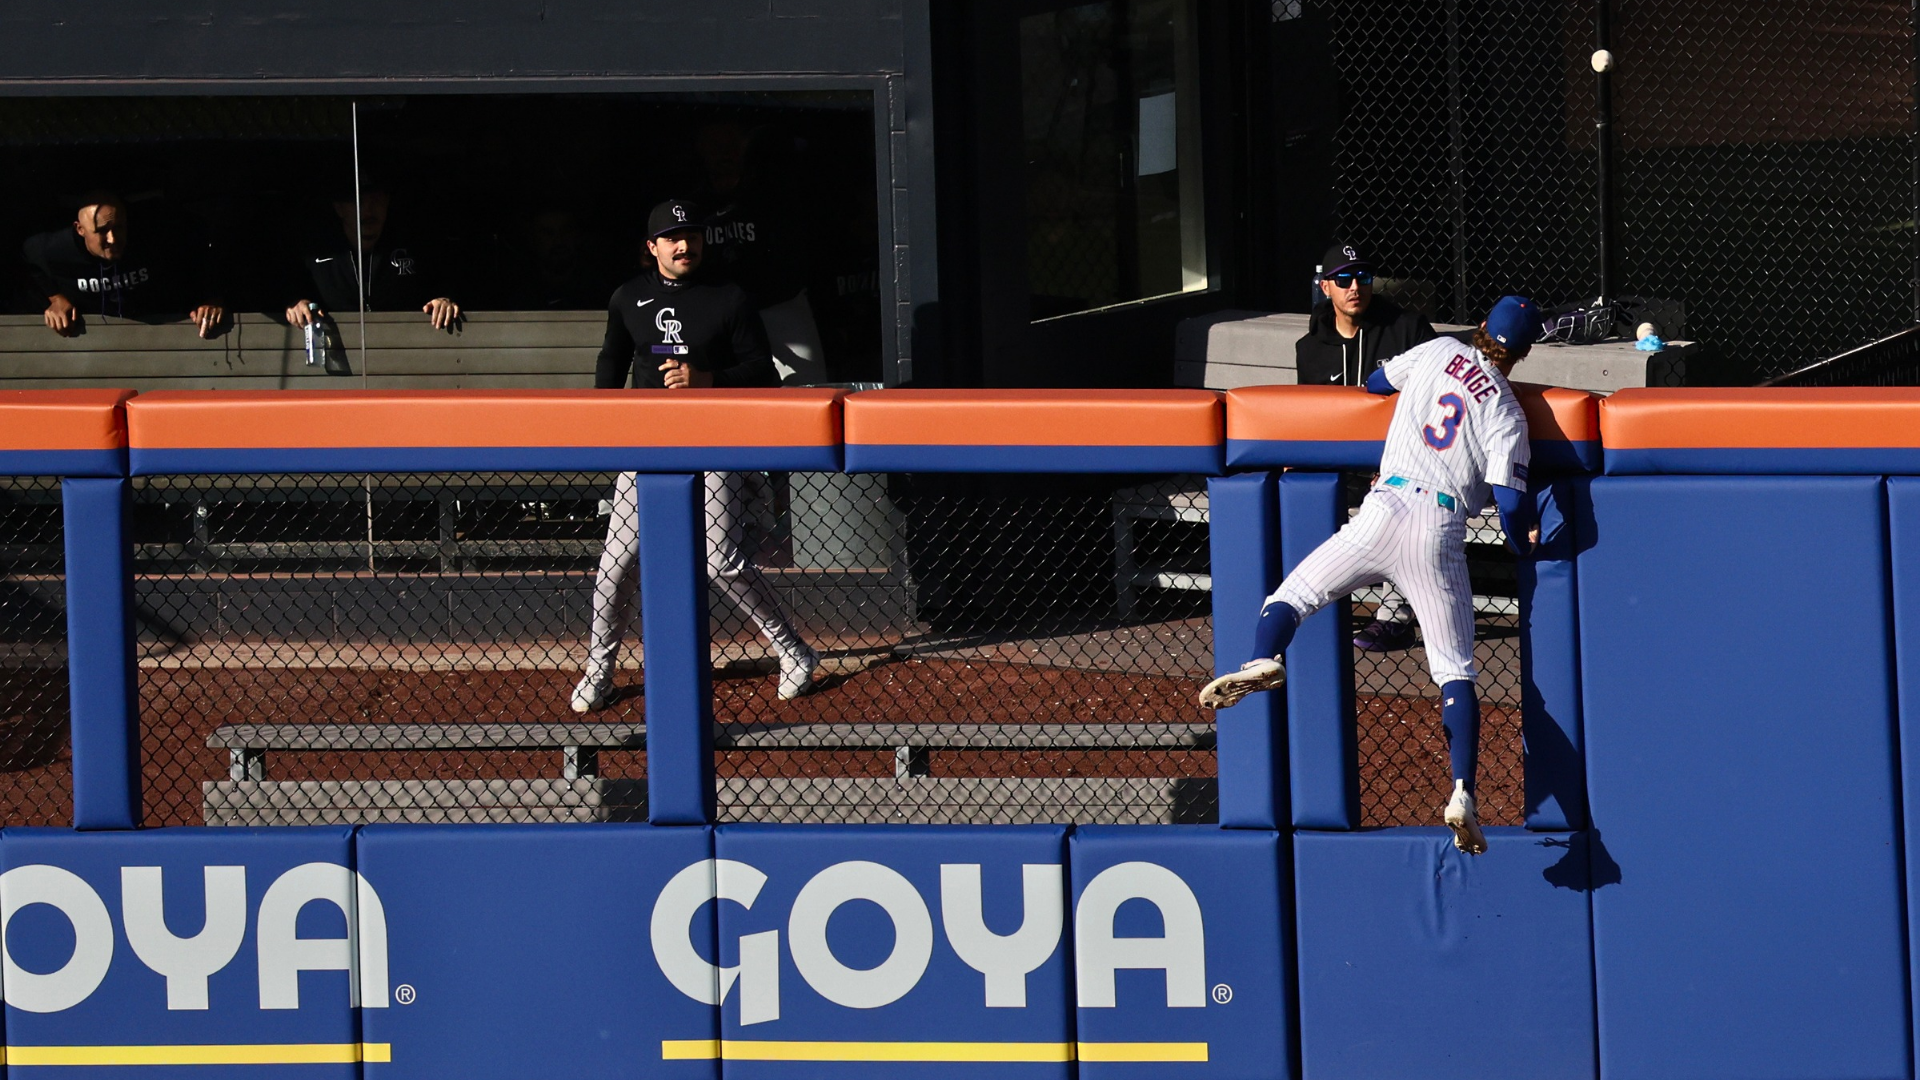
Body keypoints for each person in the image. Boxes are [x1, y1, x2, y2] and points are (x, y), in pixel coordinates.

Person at [1203, 295, 1545, 856]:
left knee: (1292, 595)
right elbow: (1510, 498)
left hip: (1382, 506)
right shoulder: (1507, 408)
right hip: (1437, 527)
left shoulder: (1438, 348)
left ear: (1482, 326)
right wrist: (1520, 539)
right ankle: (1462, 790)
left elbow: (1375, 381)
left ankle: (1265, 657)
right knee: (1453, 670)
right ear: (1523, 353)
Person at [570, 198, 820, 712]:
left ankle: (793, 651)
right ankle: (600, 669)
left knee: (720, 558)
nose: (685, 245)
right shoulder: (628, 297)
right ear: (652, 247)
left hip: (713, 439)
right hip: (647, 443)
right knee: (617, 564)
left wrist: (706, 380)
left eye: (693, 236)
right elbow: (611, 360)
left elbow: (762, 372)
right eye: (673, 237)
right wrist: (602, 421)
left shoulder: (727, 297)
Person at [1296, 241, 1439, 654]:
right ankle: (1309, 609)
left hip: (1402, 465)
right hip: (1339, 469)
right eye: (1343, 279)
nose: (1354, 286)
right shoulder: (1311, 348)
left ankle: (1394, 620)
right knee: (1299, 496)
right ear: (1326, 288)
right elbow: (1308, 419)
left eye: (1362, 277)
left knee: (1401, 506)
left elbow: (1436, 402)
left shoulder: (1408, 330)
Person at [22, 193, 224, 338]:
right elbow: (29, 261)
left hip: (164, 328)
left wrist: (210, 299)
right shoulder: (52, 247)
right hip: (91, 338)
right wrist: (56, 298)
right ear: (80, 229)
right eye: (101, 231)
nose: (112, 239)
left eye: (118, 227)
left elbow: (204, 254)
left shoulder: (157, 236)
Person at [285, 186, 461, 332]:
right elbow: (286, 292)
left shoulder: (412, 248)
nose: (368, 210)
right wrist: (295, 303)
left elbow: (444, 284)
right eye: (358, 201)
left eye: (376, 199)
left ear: (387, 203)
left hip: (407, 355)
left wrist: (444, 300)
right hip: (339, 358)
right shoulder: (317, 253)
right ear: (339, 208)